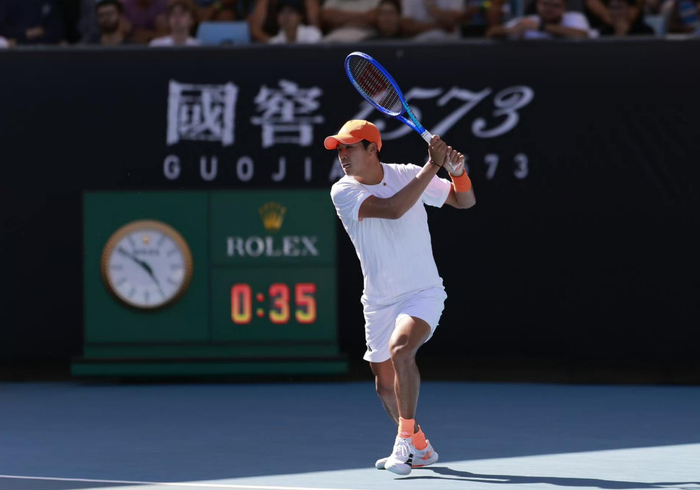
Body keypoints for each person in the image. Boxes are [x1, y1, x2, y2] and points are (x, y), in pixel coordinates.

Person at [325, 120, 475, 476]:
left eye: (349, 147)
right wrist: (433, 165)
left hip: (423, 292)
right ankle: (420, 446)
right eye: (339, 149)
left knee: (402, 349)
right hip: (378, 301)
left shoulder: (408, 173)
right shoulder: (343, 190)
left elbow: (463, 201)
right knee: (384, 386)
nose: (342, 155)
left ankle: (403, 443)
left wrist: (458, 172)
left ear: (372, 149)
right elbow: (393, 208)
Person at [486, 0, 591, 38]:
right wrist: (510, 30)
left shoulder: (575, 17)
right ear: (537, 4)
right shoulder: (529, 21)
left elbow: (581, 35)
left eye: (555, 5)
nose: (549, 9)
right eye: (545, 4)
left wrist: (541, 27)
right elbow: (491, 33)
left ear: (564, 7)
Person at [248, 0, 321, 42]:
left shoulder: (313, 35)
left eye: (290, 12)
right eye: (282, 13)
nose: (286, 16)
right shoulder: (276, 42)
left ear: (300, 16)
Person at [0, 0, 64, 45]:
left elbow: (56, 30)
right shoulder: (7, 2)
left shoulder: (49, 2)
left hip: (44, 49)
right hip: (13, 49)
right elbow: (2, 28)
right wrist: (24, 33)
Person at [400, 0, 466, 41]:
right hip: (418, 46)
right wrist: (441, 25)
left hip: (449, 44)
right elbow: (407, 27)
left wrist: (432, 6)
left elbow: (452, 22)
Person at [583, 0, 654, 35]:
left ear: (630, 9)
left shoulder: (646, 32)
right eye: (612, 8)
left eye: (619, 7)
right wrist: (619, 34)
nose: (615, 12)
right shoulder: (604, 33)